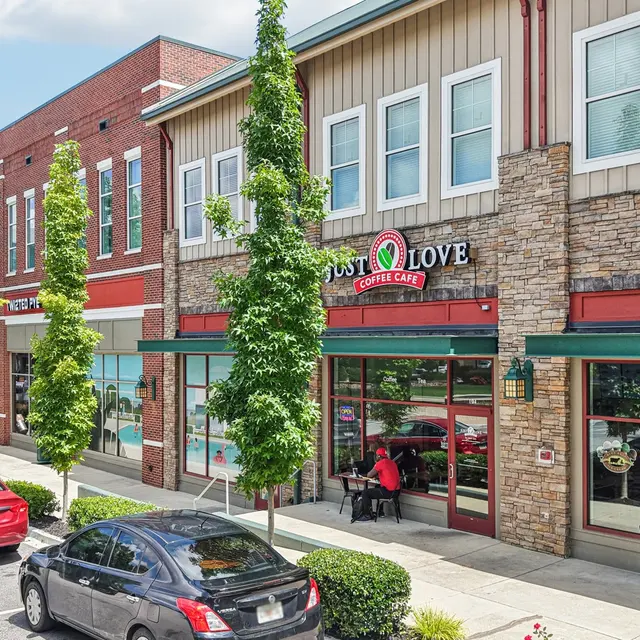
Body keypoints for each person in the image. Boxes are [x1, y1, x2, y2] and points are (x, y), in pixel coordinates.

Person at [359, 447, 401, 520]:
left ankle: (367, 515)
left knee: (365, 493)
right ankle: (380, 512)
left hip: (388, 492)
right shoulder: (392, 462)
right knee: (377, 486)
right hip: (396, 491)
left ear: (378, 456)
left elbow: (369, 475)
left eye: (376, 455)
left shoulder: (381, 463)